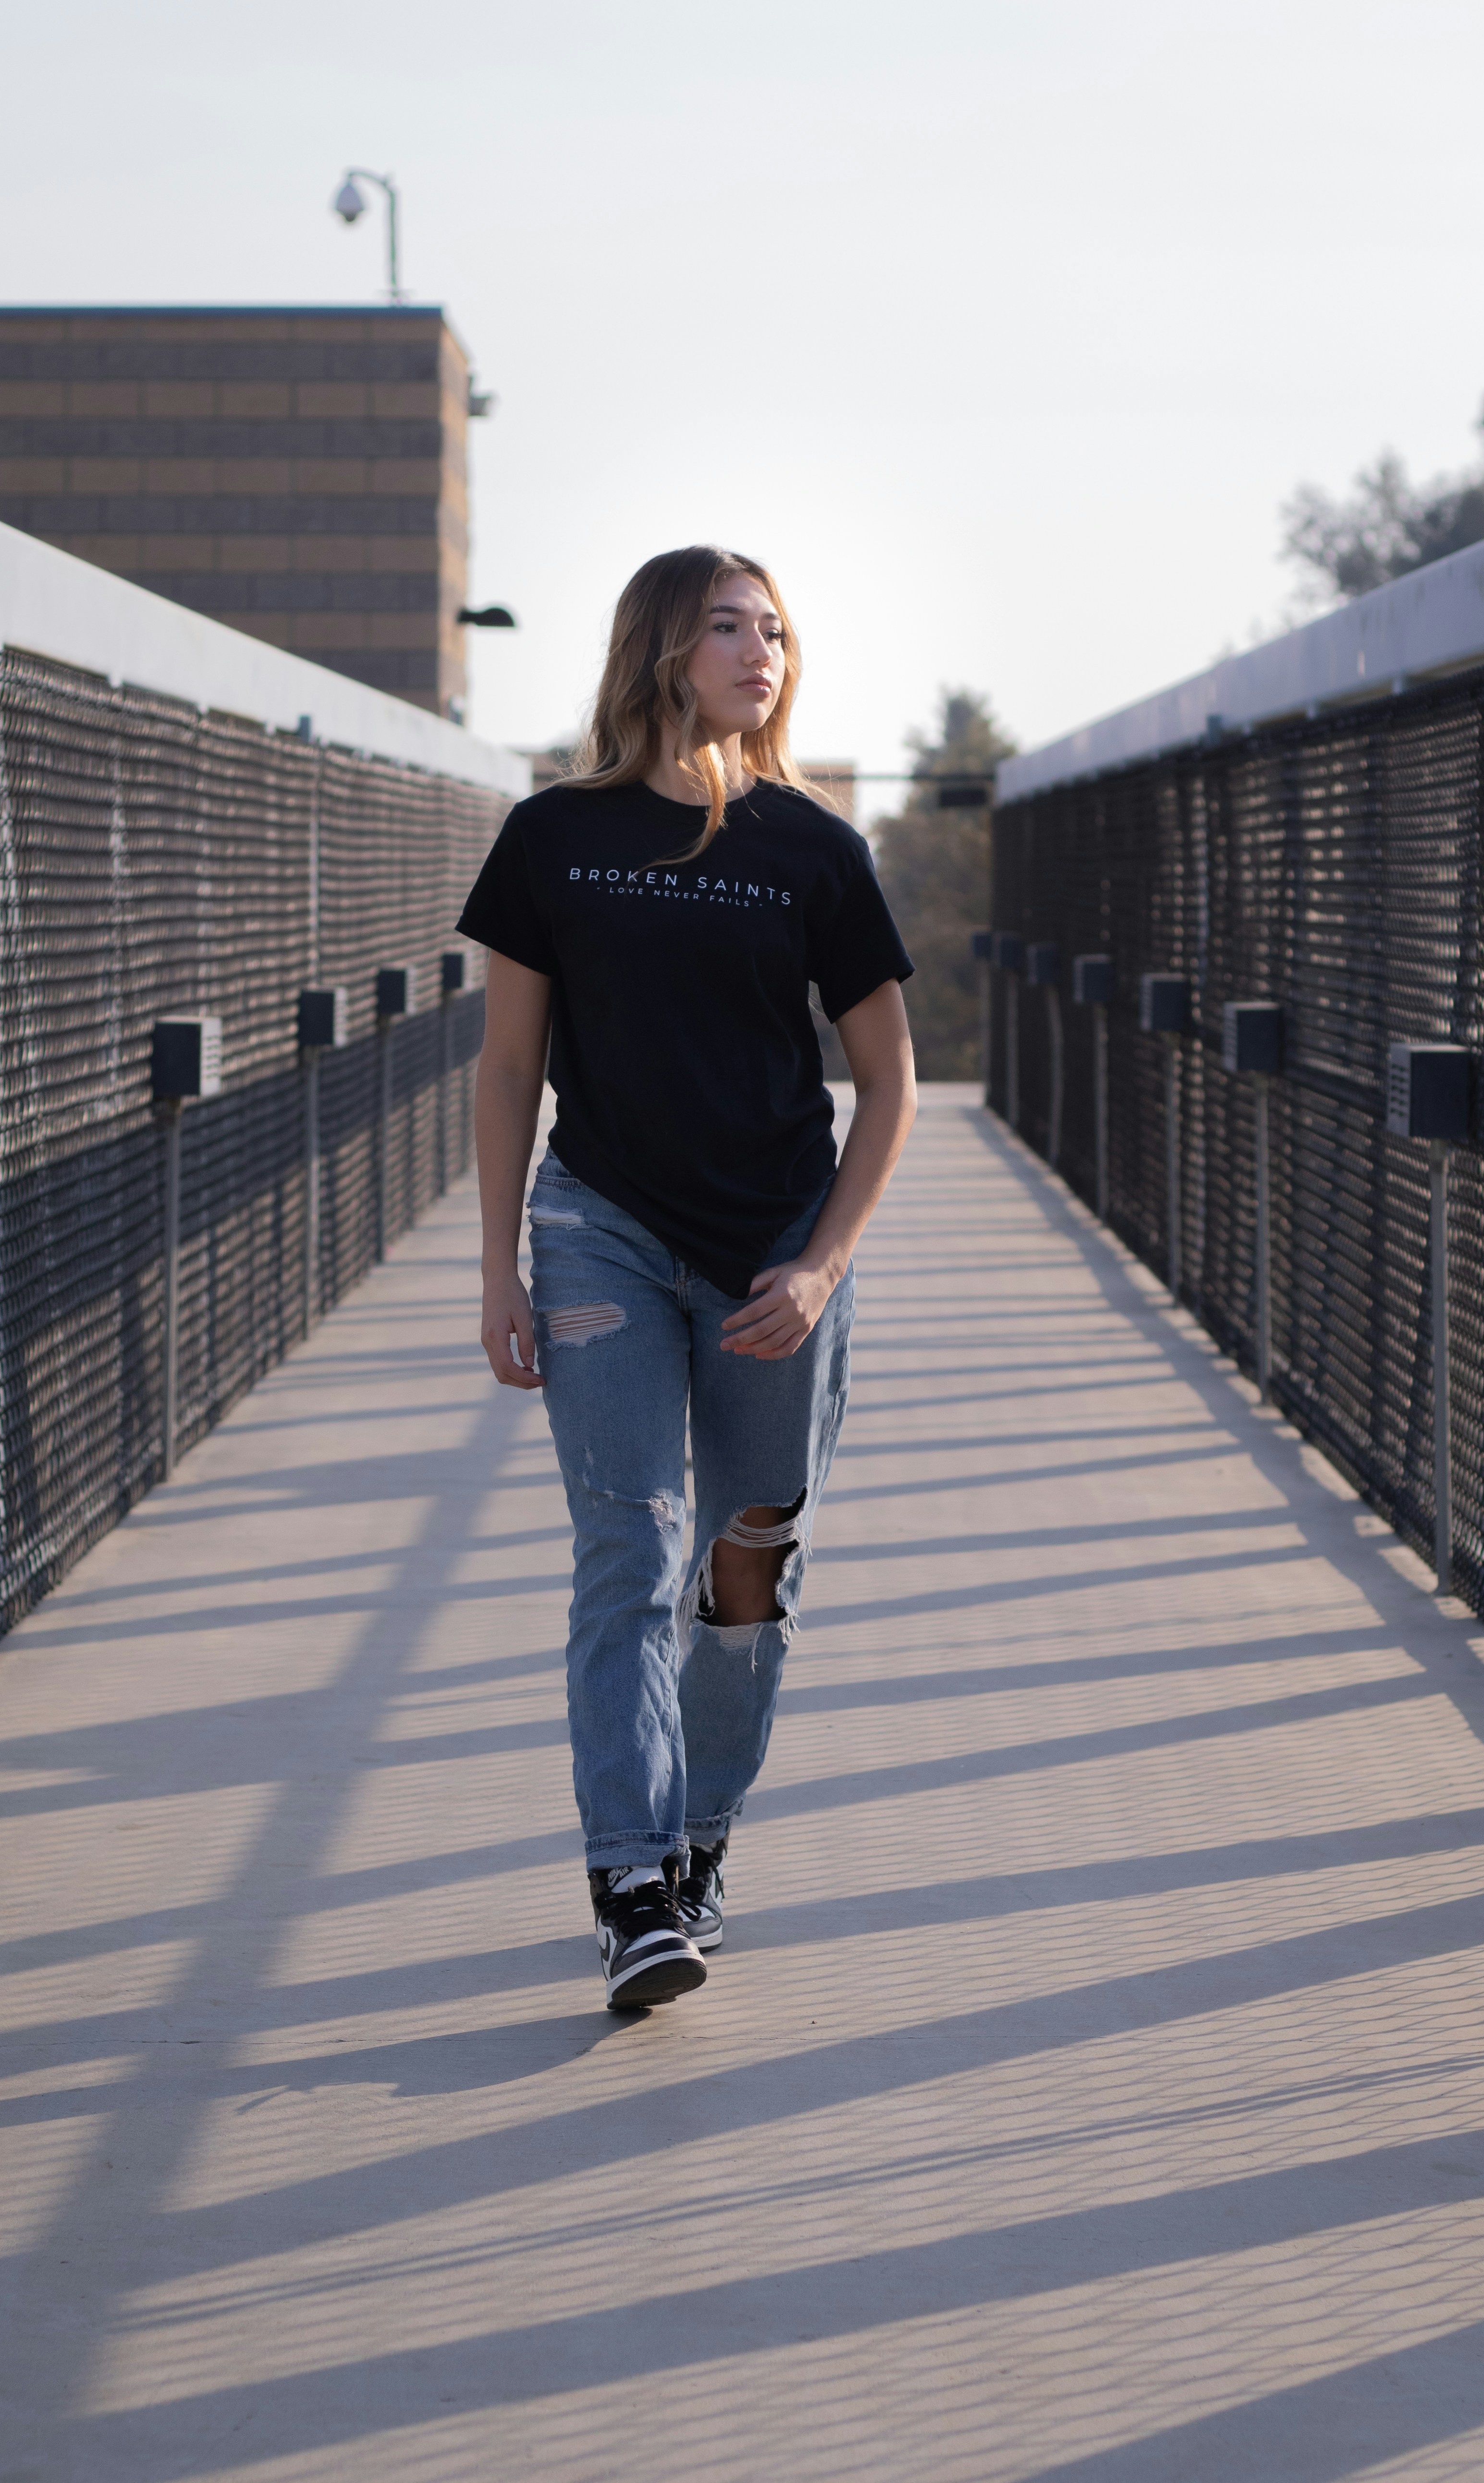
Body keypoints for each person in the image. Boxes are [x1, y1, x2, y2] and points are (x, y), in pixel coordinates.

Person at [457, 545, 916, 2009]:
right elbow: (512, 1064)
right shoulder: (551, 838)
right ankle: (633, 1882)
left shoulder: (814, 850)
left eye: (776, 630)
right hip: (597, 1228)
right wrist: (496, 1268)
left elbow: (888, 1082)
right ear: (660, 647)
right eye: (728, 626)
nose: (760, 650)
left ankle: (704, 1831)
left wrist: (823, 1267)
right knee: (626, 1544)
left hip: (772, 1254)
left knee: (744, 1567)